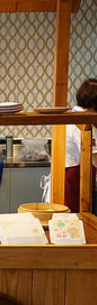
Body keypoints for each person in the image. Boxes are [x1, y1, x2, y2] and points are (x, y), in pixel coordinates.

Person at [64, 78, 97, 212]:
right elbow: (94, 157)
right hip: (74, 179)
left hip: (76, 176)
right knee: (75, 219)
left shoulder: (73, 116)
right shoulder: (81, 122)